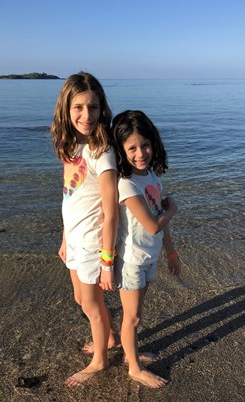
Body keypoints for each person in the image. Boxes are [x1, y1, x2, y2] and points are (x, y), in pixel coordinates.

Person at [51, 72, 120, 387]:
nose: (86, 115)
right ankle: (110, 338)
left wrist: (108, 260)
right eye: (78, 107)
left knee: (92, 304)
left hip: (94, 243)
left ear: (101, 108)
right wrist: (65, 237)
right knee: (82, 299)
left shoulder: (101, 151)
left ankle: (100, 361)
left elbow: (111, 210)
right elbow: (70, 195)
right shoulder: (71, 146)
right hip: (75, 239)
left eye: (93, 107)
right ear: (66, 109)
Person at [112, 110, 181, 388]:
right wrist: (173, 209)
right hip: (131, 261)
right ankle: (134, 368)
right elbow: (153, 225)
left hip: (149, 257)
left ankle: (132, 354)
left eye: (146, 145)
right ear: (121, 150)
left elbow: (160, 227)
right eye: (132, 148)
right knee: (133, 316)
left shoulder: (151, 175)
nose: (141, 153)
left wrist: (172, 252)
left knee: (136, 314)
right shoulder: (126, 184)